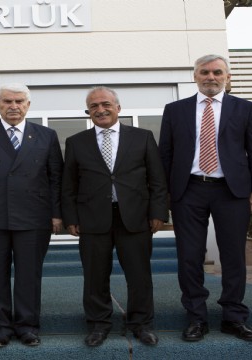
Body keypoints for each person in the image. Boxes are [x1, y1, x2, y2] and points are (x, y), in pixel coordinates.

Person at [158, 54, 252, 342]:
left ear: (226, 76)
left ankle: (234, 317)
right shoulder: (175, 109)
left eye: (217, 72)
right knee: (190, 257)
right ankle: (196, 317)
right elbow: (165, 154)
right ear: (195, 76)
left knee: (233, 256)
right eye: (204, 72)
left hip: (231, 191)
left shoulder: (244, 108)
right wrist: (165, 193)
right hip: (188, 190)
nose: (211, 77)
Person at [62, 86, 168, 347]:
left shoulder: (142, 137)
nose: (100, 109)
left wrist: (158, 212)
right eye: (94, 106)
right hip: (92, 219)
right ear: (88, 112)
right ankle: (99, 324)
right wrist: (71, 218)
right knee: (95, 276)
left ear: (118, 108)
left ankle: (141, 324)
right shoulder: (76, 142)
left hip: (135, 218)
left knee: (139, 275)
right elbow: (68, 185)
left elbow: (157, 179)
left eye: (105, 104)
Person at [0, 83, 63, 348]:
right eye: (7, 101)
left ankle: (27, 326)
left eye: (19, 101)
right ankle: (1, 327)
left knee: (29, 274)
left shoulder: (46, 135)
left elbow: (56, 178)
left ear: (28, 105)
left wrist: (56, 213)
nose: (13, 106)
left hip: (34, 216)